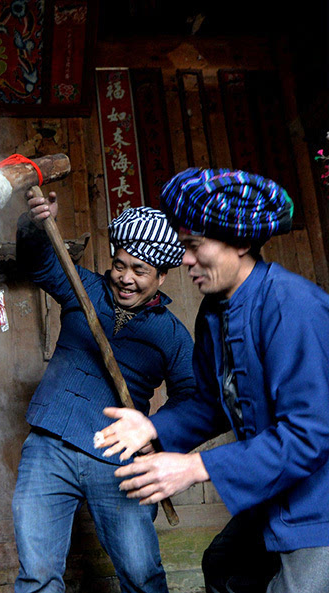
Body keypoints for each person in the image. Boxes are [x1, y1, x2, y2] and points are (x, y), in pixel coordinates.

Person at [96, 168, 329, 593]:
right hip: (272, 494)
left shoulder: (293, 306)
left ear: (240, 243)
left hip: (320, 505)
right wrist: (152, 426)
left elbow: (309, 433)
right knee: (223, 566)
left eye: (193, 246)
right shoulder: (214, 311)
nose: (184, 259)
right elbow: (212, 402)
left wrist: (194, 467)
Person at [12, 190, 196, 593]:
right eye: (120, 265)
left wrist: (155, 433)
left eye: (140, 270)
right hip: (49, 445)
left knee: (142, 576)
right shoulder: (85, 288)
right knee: (37, 576)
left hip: (118, 460)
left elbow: (194, 399)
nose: (125, 278)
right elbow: (37, 261)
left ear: (162, 276)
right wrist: (35, 223)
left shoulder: (172, 336)